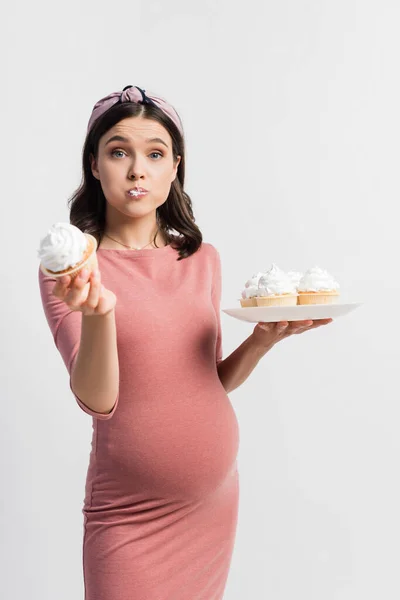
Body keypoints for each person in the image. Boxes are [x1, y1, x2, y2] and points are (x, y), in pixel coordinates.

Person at [38, 85, 332, 600]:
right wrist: (103, 312)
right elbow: (97, 400)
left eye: (154, 154)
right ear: (94, 164)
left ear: (174, 167)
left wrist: (261, 341)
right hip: (129, 515)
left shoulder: (203, 259)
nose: (137, 171)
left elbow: (207, 381)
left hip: (213, 504)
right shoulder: (71, 269)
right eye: (118, 151)